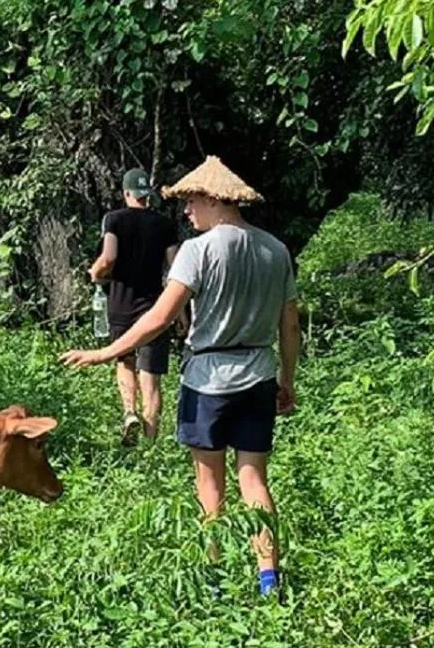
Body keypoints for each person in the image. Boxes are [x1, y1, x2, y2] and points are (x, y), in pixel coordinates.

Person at [61, 156, 300, 597]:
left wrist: (106, 352)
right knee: (255, 479)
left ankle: (212, 577)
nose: (186, 211)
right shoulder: (275, 249)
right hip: (260, 373)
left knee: (209, 482)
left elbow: (160, 317)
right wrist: (287, 379)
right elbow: (290, 324)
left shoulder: (199, 249)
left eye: (191, 201)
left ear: (214, 198)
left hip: (208, 378)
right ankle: (269, 577)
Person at [88, 168, 179, 446]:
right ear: (147, 194)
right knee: (151, 377)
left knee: (124, 360)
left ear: (126, 192)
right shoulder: (165, 225)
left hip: (121, 304)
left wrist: (95, 272)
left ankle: (129, 412)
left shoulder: (113, 220)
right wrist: (182, 311)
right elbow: (176, 268)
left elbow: (109, 256)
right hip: (156, 309)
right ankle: (150, 444)